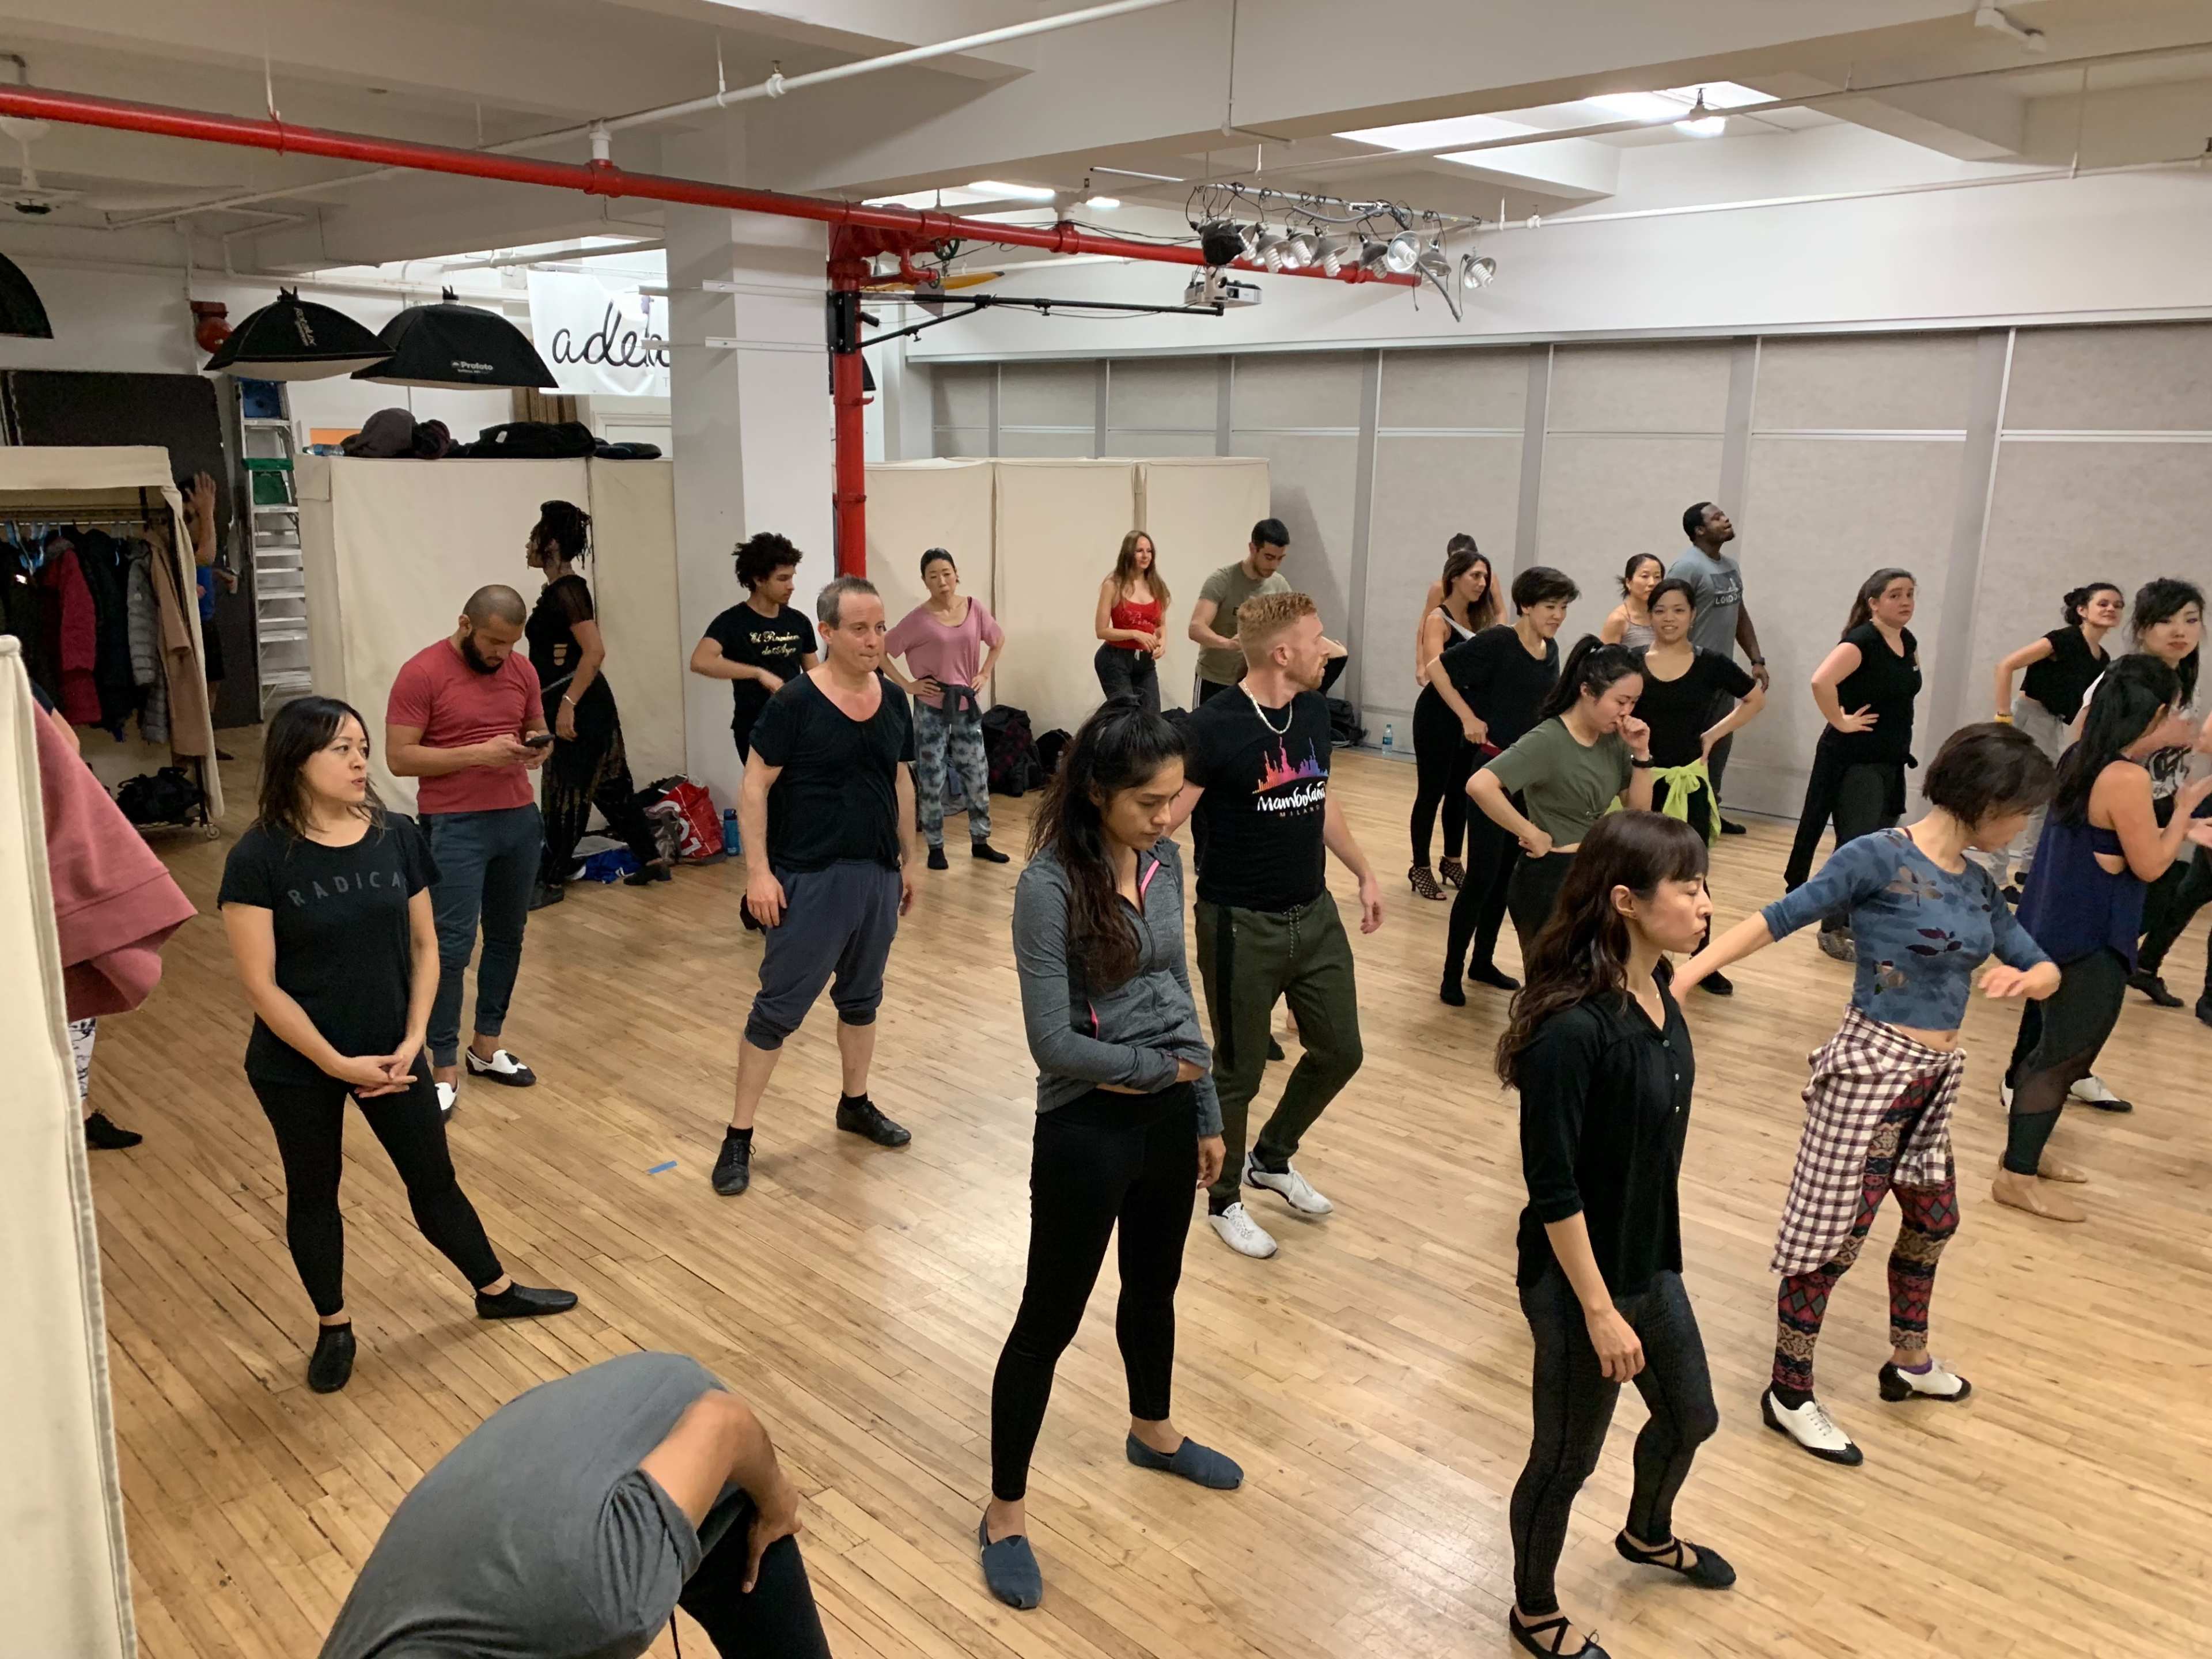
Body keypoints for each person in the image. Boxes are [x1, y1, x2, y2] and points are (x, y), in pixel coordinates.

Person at [1675, 723, 2059, 1466]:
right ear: (1986, 801)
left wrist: (2030, 979)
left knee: (1934, 1218)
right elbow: (1780, 916)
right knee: (1833, 1239)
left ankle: (1907, 1361)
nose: (2021, 829)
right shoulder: (1878, 856)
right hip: (1873, 1070)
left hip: (1934, 1080)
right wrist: (1689, 973)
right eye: (2020, 812)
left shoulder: (1979, 884)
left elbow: (2040, 964)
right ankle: (1789, 1392)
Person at [218, 698, 577, 1395]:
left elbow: (428, 946)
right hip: (299, 1065)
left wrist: (413, 1040)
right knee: (315, 1194)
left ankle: (494, 1288)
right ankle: (334, 1325)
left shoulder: (396, 834)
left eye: (361, 747)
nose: (360, 761)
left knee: (434, 1179)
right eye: (342, 751)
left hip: (393, 1051)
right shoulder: (258, 857)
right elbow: (261, 987)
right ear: (297, 762)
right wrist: (334, 1063)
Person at [982, 702, 1240, 1610]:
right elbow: (1051, 1042)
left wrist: (1202, 1105)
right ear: (1096, 793)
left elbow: (1178, 982)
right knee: (1047, 1322)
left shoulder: (1166, 860)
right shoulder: (1047, 887)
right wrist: (1148, 1071)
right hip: (1087, 1128)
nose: (1165, 817)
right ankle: (1004, 1512)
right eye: (1147, 802)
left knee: (1155, 1287)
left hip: (1169, 1115)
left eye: (1172, 799)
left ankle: (1153, 1430)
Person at [1497, 812, 1733, 1659]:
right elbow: (1552, 1189)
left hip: (1649, 1257)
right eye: (1691, 888)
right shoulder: (1570, 1033)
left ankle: (1646, 1534)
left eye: (1704, 885)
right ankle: (1532, 1612)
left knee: (1692, 1416)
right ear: (1627, 901)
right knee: (1564, 1462)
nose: (1705, 902)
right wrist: (1599, 1312)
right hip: (1577, 1285)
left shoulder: (1657, 989)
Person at [316, 1351, 828, 1659]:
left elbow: (724, 1424)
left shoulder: (604, 1600)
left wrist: (778, 1501)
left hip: (685, 1437)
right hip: (545, 1493)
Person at [1171, 590, 1382, 1261]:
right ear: (1283, 652)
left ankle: (1271, 1157)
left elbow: (1316, 796)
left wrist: (1364, 872)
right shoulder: (1214, 727)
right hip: (1239, 924)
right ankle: (1224, 1199)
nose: (1330, 649)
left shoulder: (1314, 711)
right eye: (1317, 639)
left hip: (1314, 914)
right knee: (1237, 1071)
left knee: (1341, 1050)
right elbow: (1166, 817)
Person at [713, 575, 920, 1199]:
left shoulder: (893, 700)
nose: (874, 639)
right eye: (860, 628)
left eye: (881, 627)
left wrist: (909, 861)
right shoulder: (796, 704)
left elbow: (901, 782)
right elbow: (754, 788)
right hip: (810, 878)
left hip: (877, 875)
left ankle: (854, 1104)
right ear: (826, 633)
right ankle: (739, 1135)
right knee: (778, 1010)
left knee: (862, 1001)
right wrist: (758, 872)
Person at [2001, 656, 2212, 1219]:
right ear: (2157, 713)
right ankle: (2015, 1176)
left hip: (2054, 923)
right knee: (2065, 1058)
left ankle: (2029, 1153)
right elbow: (2150, 866)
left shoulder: (2083, 758)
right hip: (2088, 936)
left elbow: (2109, 849)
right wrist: (2186, 811)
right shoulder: (2126, 777)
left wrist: (2164, 831)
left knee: (2053, 1049)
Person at [386, 585, 550, 1118]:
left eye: (512, 643)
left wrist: (536, 747)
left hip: (518, 819)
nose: (502, 653)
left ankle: (487, 1044)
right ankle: (444, 1064)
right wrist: (481, 753)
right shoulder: (422, 673)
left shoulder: (522, 671)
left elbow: (536, 725)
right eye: (494, 641)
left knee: (508, 936)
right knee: (451, 946)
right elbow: (398, 759)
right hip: (455, 825)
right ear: (464, 624)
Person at [1434, 566, 1580, 1004]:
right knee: (1480, 877)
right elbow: (1437, 668)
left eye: (1563, 608)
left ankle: (1482, 961)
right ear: (1526, 606)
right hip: (1492, 772)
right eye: (1550, 607)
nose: (1558, 616)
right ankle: (1451, 973)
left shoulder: (1550, 648)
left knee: (1504, 879)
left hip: (1526, 781)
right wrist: (1467, 717)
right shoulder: (1499, 641)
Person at [1469, 638, 1655, 968]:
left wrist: (1641, 755)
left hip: (1596, 871)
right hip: (1551, 880)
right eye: (1621, 701)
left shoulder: (1613, 738)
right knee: (1553, 984)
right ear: (1587, 691)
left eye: (1635, 703)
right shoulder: (1549, 739)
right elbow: (1480, 785)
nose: (1628, 712)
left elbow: (1638, 814)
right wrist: (1529, 831)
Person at [521, 499, 669, 906]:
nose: (528, 545)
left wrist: (568, 704)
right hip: (582, 700)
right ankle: (652, 860)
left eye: (534, 537)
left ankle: (549, 882)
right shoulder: (559, 589)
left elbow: (594, 651)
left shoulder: (569, 590)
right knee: (612, 787)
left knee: (566, 792)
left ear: (550, 543)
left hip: (580, 702)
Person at [1631, 578, 1766, 995]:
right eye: (1660, 611)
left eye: (1678, 610)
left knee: (1694, 874)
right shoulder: (1631, 660)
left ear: (1692, 615)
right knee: (1641, 872)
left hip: (1688, 783)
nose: (1669, 619)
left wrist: (1715, 734)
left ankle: (1702, 961)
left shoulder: (1709, 662)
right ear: (1649, 616)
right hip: (1642, 780)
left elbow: (1755, 696)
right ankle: (1643, 959)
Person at [1782, 568, 1922, 961]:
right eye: (1895, 595)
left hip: (1889, 760)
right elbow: (1820, 682)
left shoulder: (1907, 640)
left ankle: (1852, 919)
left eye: (1910, 594)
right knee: (1856, 848)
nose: (1906, 601)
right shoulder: (1861, 641)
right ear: (1873, 603)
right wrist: (1840, 721)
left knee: (1877, 847)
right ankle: (1831, 928)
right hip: (1856, 761)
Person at [2099, 578, 2212, 1019]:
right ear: (2143, 627)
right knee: (2120, 919)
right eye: (2165, 621)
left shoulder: (2183, 677)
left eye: (2191, 620)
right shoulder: (2127, 677)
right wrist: (2158, 740)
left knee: (2167, 893)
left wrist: (2182, 816)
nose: (2179, 631)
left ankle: (2134, 967)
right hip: (2121, 806)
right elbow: (2088, 746)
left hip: (2162, 802)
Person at [1976, 581, 2123, 893]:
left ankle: (2028, 870)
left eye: (2117, 605)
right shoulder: (2063, 640)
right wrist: (2004, 716)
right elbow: (2006, 666)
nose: (2112, 609)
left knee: (2047, 796)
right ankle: (1998, 876)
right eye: (2104, 603)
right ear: (2082, 611)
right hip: (2028, 716)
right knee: (2010, 793)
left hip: (2053, 725)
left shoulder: (2102, 659)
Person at [884, 547, 1010, 869]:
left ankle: (981, 839)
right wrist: (907, 684)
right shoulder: (918, 619)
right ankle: (936, 846)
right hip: (931, 704)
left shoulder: (974, 608)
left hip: (965, 702)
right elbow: (883, 651)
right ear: (925, 581)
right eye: (933, 576)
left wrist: (984, 673)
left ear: (956, 574)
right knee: (932, 774)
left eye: (946, 573)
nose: (942, 581)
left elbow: (997, 640)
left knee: (977, 771)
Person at [1667, 503, 1768, 834]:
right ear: (1699, 531)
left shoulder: (1730, 566)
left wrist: (1756, 659)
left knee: (1719, 746)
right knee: (1689, 747)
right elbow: (1668, 615)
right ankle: (1679, 818)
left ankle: (1711, 811)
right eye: (1716, 518)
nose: (1726, 519)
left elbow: (1739, 614)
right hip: (1691, 674)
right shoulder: (1686, 567)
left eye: (1724, 514)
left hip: (1721, 675)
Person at [1408, 541, 1499, 900]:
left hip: (1470, 719)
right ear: (1455, 578)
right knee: (1431, 792)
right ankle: (1420, 866)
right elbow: (1436, 670)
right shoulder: (1438, 619)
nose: (1482, 583)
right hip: (1439, 715)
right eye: (1475, 576)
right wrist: (1465, 716)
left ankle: (1451, 860)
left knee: (1461, 793)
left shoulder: (1480, 621)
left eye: (1486, 577)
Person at [690, 531, 819, 763]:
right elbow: (700, 661)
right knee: (763, 793)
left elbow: (815, 674)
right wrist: (757, 673)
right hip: (754, 725)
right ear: (759, 580)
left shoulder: (799, 621)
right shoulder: (732, 622)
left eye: (792, 578)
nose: (791, 586)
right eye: (782, 579)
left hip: (798, 724)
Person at [1189, 518, 1292, 704]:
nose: (1274, 565)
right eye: (1269, 557)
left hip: (1254, 683)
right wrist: (1228, 644)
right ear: (1253, 548)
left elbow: (1291, 629)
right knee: (1203, 733)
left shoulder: (1280, 586)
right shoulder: (1223, 580)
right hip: (1215, 679)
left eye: (1280, 559)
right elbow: (1196, 628)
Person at [1093, 529, 1170, 713]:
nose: (1145, 556)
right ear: (1128, 553)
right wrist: (1135, 634)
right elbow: (1101, 631)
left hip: (1145, 660)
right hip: (1116, 658)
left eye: (1149, 551)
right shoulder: (1113, 585)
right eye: (1140, 551)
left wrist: (1163, 641)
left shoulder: (1156, 585)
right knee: (1127, 716)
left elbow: (1160, 624)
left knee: (1152, 718)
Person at [1599, 554, 1665, 651]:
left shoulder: (1664, 615)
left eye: (1657, 577)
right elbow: (1605, 662)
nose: (1652, 583)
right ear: (1628, 582)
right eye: (1645, 576)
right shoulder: (1618, 620)